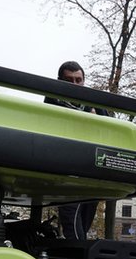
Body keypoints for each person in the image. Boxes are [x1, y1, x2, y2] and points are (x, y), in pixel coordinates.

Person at [44, 61, 106, 240]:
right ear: (60, 81)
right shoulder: (52, 100)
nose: (75, 85)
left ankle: (80, 258)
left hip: (92, 169)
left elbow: (108, 126)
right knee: (71, 219)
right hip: (68, 172)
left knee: (84, 222)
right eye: (69, 80)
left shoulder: (93, 102)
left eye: (79, 80)